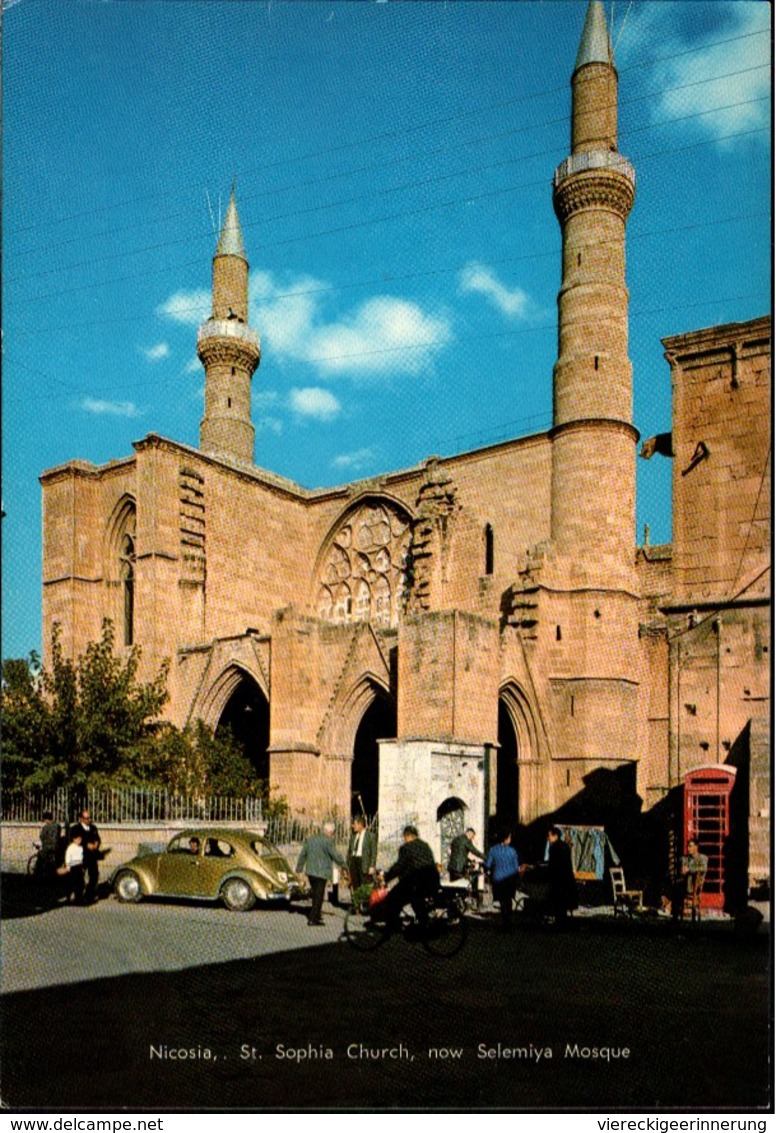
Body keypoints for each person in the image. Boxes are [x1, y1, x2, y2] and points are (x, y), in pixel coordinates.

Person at [378, 825, 440, 930]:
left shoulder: (406, 847)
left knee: (392, 898)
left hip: (416, 883)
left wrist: (386, 877)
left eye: (404, 838)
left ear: (407, 836)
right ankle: (424, 923)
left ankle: (393, 926)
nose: (404, 840)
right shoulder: (425, 845)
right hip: (432, 882)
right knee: (415, 900)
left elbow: (399, 866)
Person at [296, 822, 346, 927]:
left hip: (311, 872)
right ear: (330, 832)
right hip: (322, 872)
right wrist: (344, 865)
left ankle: (316, 914)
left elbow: (303, 855)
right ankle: (313, 919)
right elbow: (335, 855)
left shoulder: (311, 839)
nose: (333, 835)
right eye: (333, 833)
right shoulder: (328, 841)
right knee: (319, 896)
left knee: (316, 894)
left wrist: (299, 869)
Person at [485, 829, 520, 930]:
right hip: (510, 879)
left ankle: (505, 921)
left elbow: (488, 864)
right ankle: (508, 922)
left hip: (498, 879)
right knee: (508, 900)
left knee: (502, 901)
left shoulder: (493, 850)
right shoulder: (512, 851)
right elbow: (516, 867)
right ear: (507, 839)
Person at [547, 825, 579, 926]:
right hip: (567, 878)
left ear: (555, 835)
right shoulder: (565, 846)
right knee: (563, 903)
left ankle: (559, 924)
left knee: (558, 903)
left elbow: (552, 865)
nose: (548, 838)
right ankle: (563, 923)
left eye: (549, 836)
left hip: (558, 879)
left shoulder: (554, 848)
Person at [70, 809, 101, 904]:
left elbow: (97, 838)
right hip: (80, 855)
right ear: (81, 819)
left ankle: (89, 894)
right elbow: (75, 840)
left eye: (89, 818)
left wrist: (96, 844)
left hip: (91, 856)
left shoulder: (93, 828)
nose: (89, 820)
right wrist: (86, 845)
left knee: (94, 875)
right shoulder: (75, 828)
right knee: (79, 877)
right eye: (86, 818)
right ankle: (78, 896)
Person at [347, 816, 377, 894]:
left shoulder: (370, 836)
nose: (353, 826)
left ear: (360, 825)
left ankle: (365, 904)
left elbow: (373, 852)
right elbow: (349, 851)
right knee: (355, 884)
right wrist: (347, 865)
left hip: (364, 862)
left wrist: (372, 866)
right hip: (354, 861)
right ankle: (356, 905)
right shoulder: (353, 837)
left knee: (365, 885)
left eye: (355, 824)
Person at [681, 839, 708, 923]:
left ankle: (693, 917)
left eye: (690, 846)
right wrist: (683, 870)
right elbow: (683, 869)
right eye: (688, 846)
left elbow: (703, 868)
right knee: (676, 887)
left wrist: (690, 869)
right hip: (684, 884)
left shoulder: (703, 858)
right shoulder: (685, 858)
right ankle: (675, 917)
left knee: (695, 879)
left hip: (696, 885)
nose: (688, 848)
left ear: (696, 847)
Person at [37, 811, 62, 879]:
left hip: (48, 847)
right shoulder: (58, 826)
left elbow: (42, 837)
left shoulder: (46, 827)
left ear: (47, 819)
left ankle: (38, 873)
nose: (45, 821)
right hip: (56, 846)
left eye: (45, 820)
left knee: (40, 855)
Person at [63, 831, 85, 904]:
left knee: (80, 883)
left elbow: (82, 857)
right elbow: (67, 857)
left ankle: (79, 897)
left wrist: (82, 866)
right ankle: (68, 897)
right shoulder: (71, 848)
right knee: (72, 883)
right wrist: (68, 865)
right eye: (78, 839)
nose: (79, 840)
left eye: (80, 839)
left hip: (79, 866)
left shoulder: (81, 848)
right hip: (73, 867)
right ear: (74, 839)